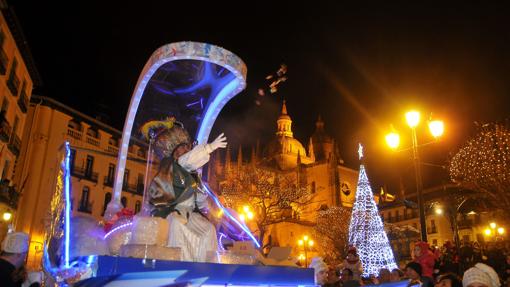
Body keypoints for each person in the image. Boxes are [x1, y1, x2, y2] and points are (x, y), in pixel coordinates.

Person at [143, 117, 227, 262]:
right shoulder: (176, 164)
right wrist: (209, 147)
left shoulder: (192, 174)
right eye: (183, 147)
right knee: (177, 226)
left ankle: (206, 265)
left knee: (209, 230)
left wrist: (206, 206)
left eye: (188, 147)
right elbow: (189, 160)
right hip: (172, 212)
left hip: (190, 214)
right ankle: (179, 264)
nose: (187, 150)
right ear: (175, 151)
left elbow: (199, 199)